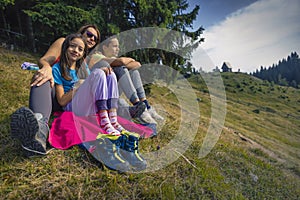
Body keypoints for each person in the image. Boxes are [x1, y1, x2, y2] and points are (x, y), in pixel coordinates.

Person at [52, 33, 146, 172]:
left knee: (110, 73)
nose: (75, 51)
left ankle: (112, 120)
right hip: (71, 106)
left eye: (80, 49)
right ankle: (104, 121)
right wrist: (78, 87)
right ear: (65, 47)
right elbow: (61, 101)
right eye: (72, 46)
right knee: (99, 73)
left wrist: (91, 79)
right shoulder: (58, 68)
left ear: (83, 53)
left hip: (86, 105)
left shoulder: (81, 68)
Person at [89, 36, 164, 124]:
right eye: (114, 46)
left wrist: (124, 62)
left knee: (134, 72)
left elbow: (137, 64)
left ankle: (145, 106)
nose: (118, 49)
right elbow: (122, 62)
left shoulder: (113, 60)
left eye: (118, 46)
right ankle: (138, 105)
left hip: (112, 90)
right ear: (105, 47)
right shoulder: (97, 56)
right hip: (101, 93)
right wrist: (127, 61)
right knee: (121, 68)